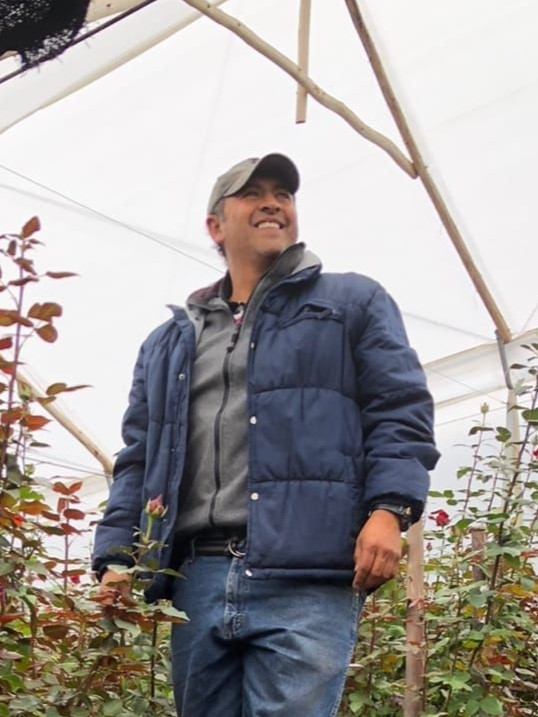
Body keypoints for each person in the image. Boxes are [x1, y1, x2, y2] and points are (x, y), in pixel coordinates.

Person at [93, 153, 439, 717]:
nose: (272, 203)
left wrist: (390, 509)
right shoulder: (169, 342)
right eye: (252, 194)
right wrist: (117, 555)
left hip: (306, 570)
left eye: (283, 193)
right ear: (215, 226)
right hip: (197, 575)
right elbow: (138, 457)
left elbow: (400, 409)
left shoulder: (349, 303)